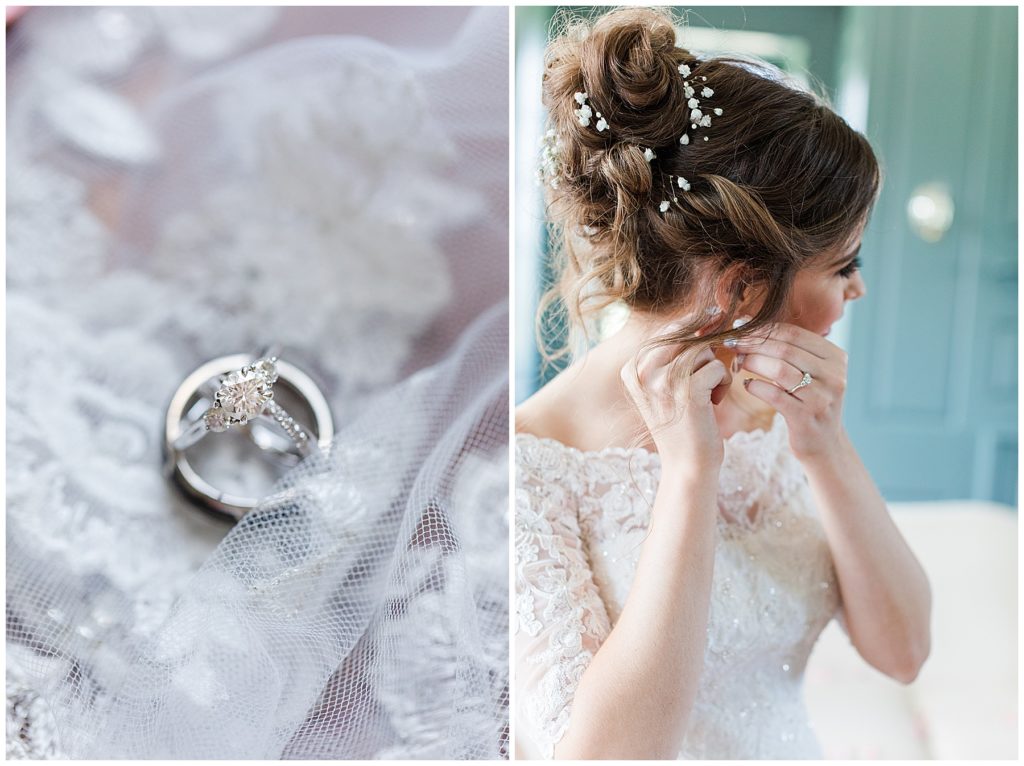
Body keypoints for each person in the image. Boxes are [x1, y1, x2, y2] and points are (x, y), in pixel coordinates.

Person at [515, 7, 932, 760]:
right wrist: (689, 474)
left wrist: (825, 447)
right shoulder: (526, 468)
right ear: (741, 288)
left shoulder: (776, 416)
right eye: (844, 266)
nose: (857, 292)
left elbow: (903, 652)